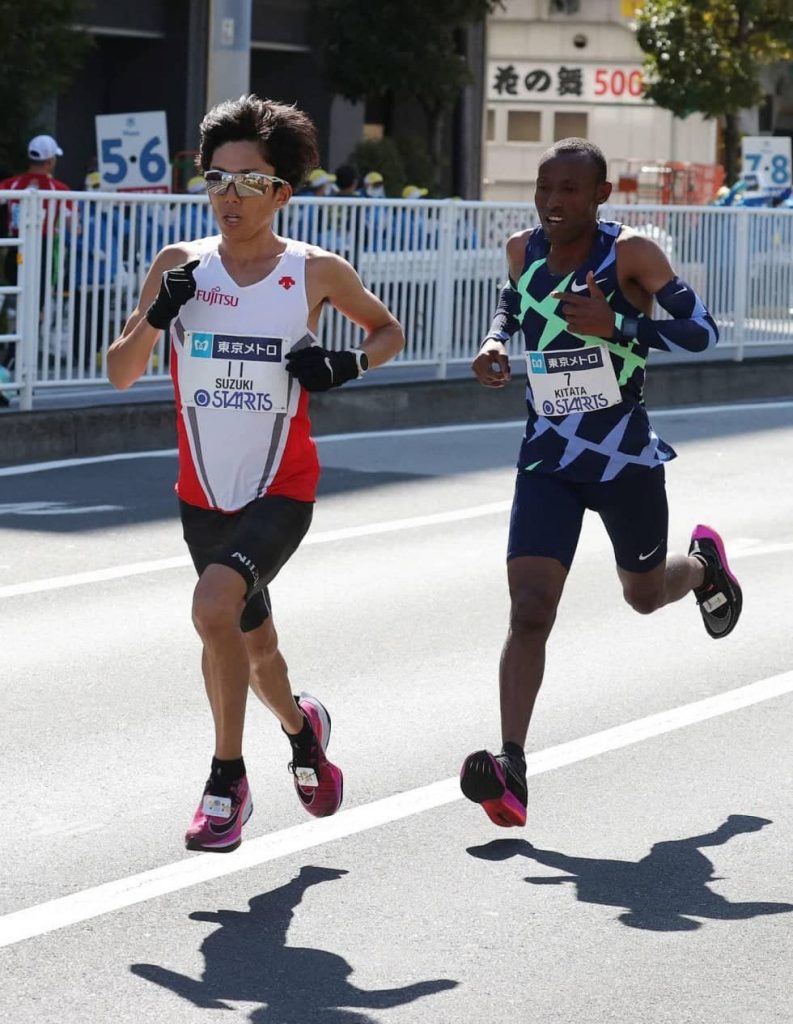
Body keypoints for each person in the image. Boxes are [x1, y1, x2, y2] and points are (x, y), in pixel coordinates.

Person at [106, 94, 405, 853]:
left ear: (281, 193)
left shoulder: (314, 271)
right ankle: (304, 734)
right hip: (203, 495)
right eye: (216, 179)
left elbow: (388, 331)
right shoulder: (179, 265)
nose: (228, 196)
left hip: (282, 487)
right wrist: (158, 316)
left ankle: (226, 784)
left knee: (214, 607)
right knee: (255, 645)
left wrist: (345, 363)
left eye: (247, 182)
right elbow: (119, 371)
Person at [459, 138, 743, 829]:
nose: (553, 203)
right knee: (530, 609)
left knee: (643, 596)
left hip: (623, 461)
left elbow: (703, 332)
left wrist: (618, 324)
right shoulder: (521, 249)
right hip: (546, 459)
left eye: (569, 190)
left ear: (601, 195)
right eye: (544, 188)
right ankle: (512, 766)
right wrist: (495, 341)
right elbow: (511, 301)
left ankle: (702, 569)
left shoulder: (631, 255)